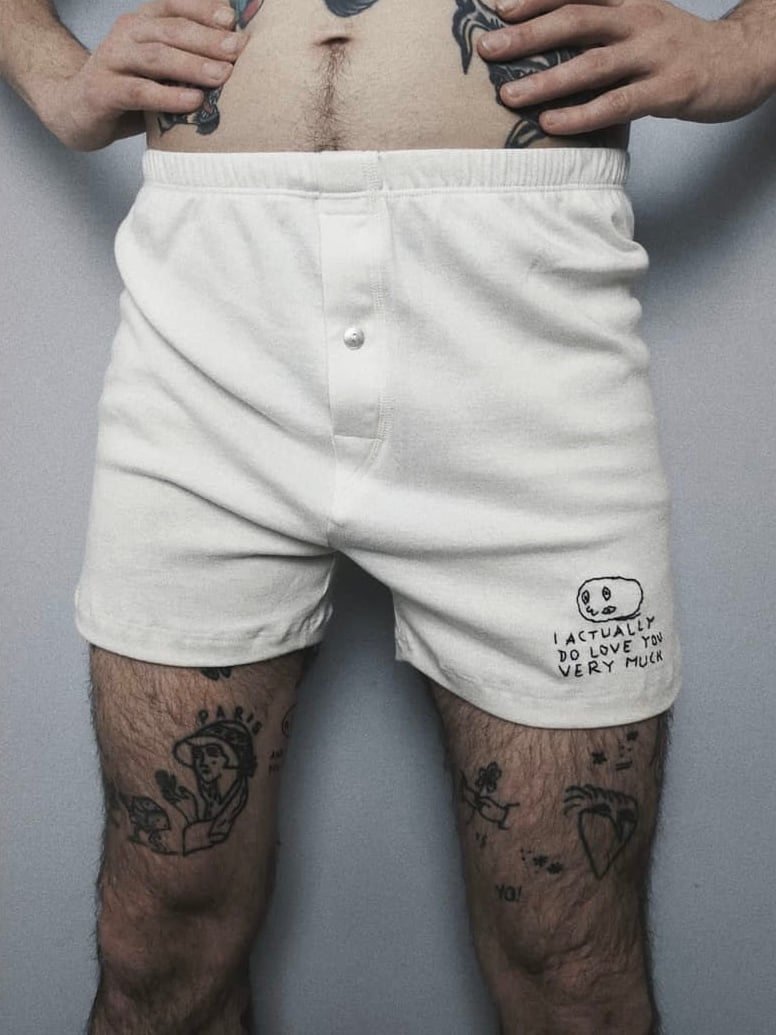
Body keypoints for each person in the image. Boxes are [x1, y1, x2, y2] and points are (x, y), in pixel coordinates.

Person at [1, 1, 773, 1033]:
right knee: (158, 947)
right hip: (213, 309)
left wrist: (746, 44)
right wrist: (54, 75)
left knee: (574, 971)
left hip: (524, 319)